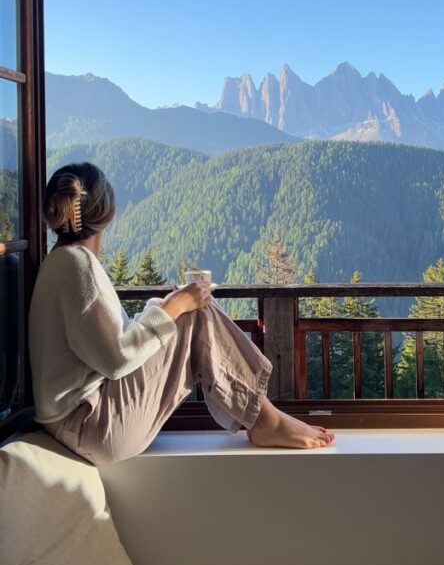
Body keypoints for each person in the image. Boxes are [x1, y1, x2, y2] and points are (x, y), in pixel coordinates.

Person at [29, 162, 334, 464]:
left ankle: (263, 415)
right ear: (108, 213)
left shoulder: (63, 262)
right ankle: (266, 420)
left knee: (191, 308)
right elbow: (116, 358)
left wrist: (166, 307)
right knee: (196, 313)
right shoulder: (77, 266)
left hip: (76, 419)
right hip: (90, 425)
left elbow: (108, 343)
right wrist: (175, 307)